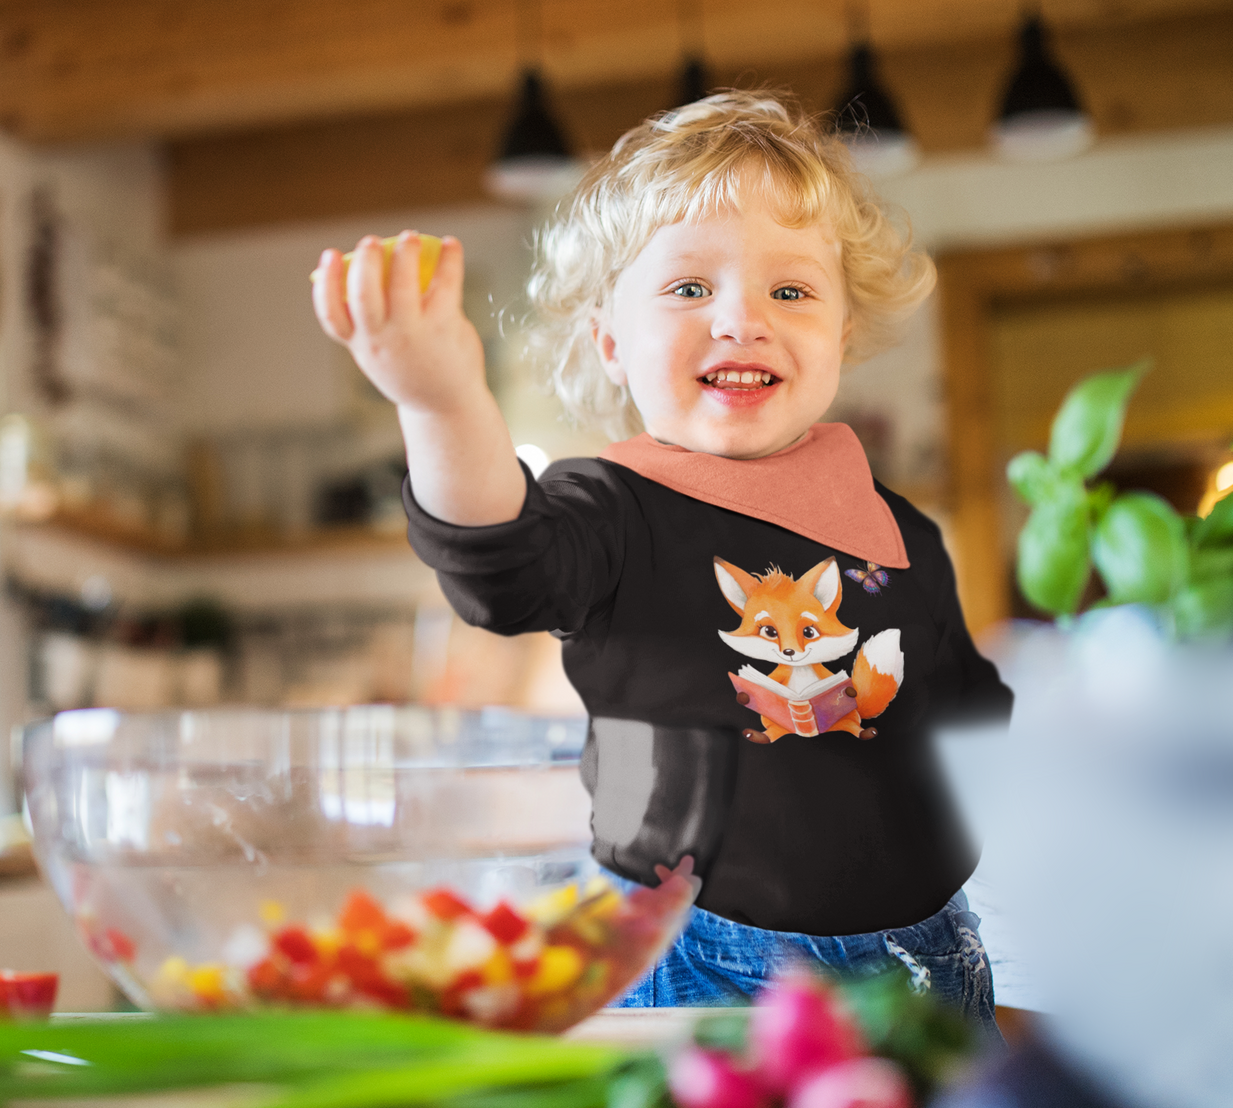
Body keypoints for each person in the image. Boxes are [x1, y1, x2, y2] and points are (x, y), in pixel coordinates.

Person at [312, 91, 1012, 1036]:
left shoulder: (900, 531)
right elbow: (497, 564)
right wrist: (441, 405)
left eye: (791, 291)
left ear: (842, 335)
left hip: (920, 958)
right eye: (688, 289)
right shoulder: (612, 507)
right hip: (690, 955)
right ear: (609, 340)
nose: (741, 321)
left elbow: (971, 722)